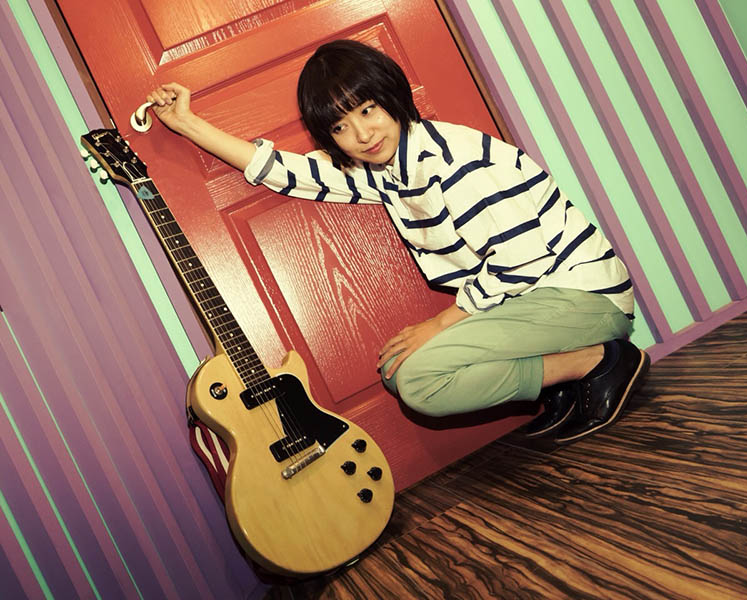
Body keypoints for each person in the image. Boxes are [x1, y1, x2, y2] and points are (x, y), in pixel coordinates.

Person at [146, 39, 649, 444]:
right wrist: (185, 123)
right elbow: (287, 173)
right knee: (398, 370)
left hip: (583, 298)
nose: (362, 134)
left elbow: (521, 264)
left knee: (421, 380)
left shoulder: (454, 161)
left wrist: (439, 323)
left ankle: (599, 361)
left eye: (368, 110)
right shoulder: (389, 170)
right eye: (341, 126)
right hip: (535, 302)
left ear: (391, 96)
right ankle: (564, 380)